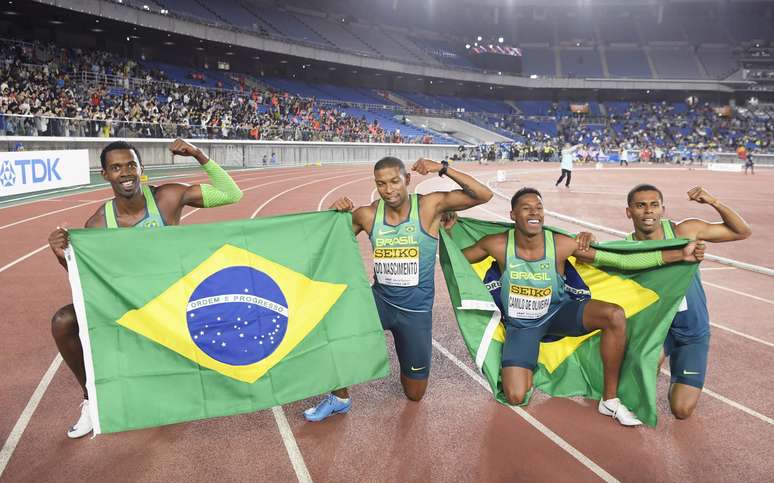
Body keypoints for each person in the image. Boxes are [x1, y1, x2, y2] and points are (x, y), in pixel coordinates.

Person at [48, 139, 243, 438]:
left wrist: (197, 154)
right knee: (63, 321)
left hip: (175, 300)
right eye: (116, 167)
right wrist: (62, 257)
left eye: (130, 165)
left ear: (141, 169)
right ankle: (92, 401)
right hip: (131, 304)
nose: (125, 172)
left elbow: (232, 194)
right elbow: (88, 282)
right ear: (105, 175)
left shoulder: (168, 198)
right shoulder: (98, 225)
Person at [459, 187, 705, 426]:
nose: (535, 213)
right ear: (513, 215)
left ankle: (609, 400)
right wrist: (446, 227)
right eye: (526, 208)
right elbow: (455, 257)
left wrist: (679, 256)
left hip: (558, 314)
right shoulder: (497, 245)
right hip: (523, 326)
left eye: (539, 207)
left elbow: (619, 260)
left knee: (614, 315)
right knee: (515, 396)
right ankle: (531, 367)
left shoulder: (561, 244)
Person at [303, 157, 493, 421]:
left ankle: (406, 355)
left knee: (414, 393)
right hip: (379, 302)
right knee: (335, 325)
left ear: (407, 179)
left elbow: (484, 195)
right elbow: (327, 240)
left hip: (415, 313)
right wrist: (334, 214)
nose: (388, 190)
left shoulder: (429, 206)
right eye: (381, 184)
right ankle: (339, 397)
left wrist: (443, 168)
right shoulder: (368, 215)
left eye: (394, 181)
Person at [624, 184, 751, 419]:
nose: (648, 211)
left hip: (693, 332)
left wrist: (714, 202)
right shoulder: (627, 250)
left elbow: (742, 232)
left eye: (654, 205)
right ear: (629, 212)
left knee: (681, 411)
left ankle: (679, 376)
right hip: (658, 331)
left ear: (663, 209)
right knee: (639, 374)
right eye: (640, 206)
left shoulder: (684, 232)